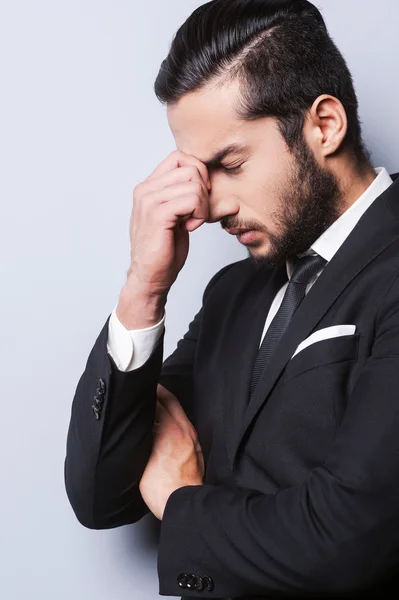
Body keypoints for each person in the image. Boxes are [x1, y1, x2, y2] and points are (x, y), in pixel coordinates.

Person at [64, 1, 399, 598]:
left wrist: (181, 501)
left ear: (324, 125)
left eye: (232, 164)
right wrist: (144, 288)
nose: (210, 205)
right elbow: (101, 497)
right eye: (198, 172)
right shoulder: (233, 294)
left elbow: (350, 539)